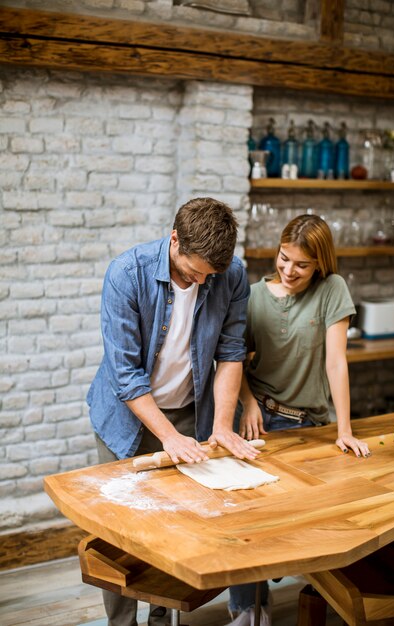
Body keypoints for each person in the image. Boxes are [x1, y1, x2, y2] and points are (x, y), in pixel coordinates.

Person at [87, 197, 260, 626]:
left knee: (174, 528)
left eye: (210, 275)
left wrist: (221, 425)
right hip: (126, 419)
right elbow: (125, 375)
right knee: (121, 533)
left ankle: (161, 619)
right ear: (175, 239)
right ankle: (121, 623)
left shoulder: (231, 275)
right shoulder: (126, 274)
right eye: (194, 271)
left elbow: (231, 351)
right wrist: (168, 436)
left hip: (189, 413)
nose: (202, 281)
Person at [227, 213, 370, 626]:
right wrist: (249, 403)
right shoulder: (254, 296)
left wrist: (344, 429)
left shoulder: (332, 290)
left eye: (301, 265)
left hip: (311, 425)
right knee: (248, 516)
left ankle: (326, 596)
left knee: (309, 519)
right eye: (283, 258)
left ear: (320, 264)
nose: (289, 270)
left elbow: (336, 362)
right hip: (258, 421)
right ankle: (248, 611)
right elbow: (233, 359)